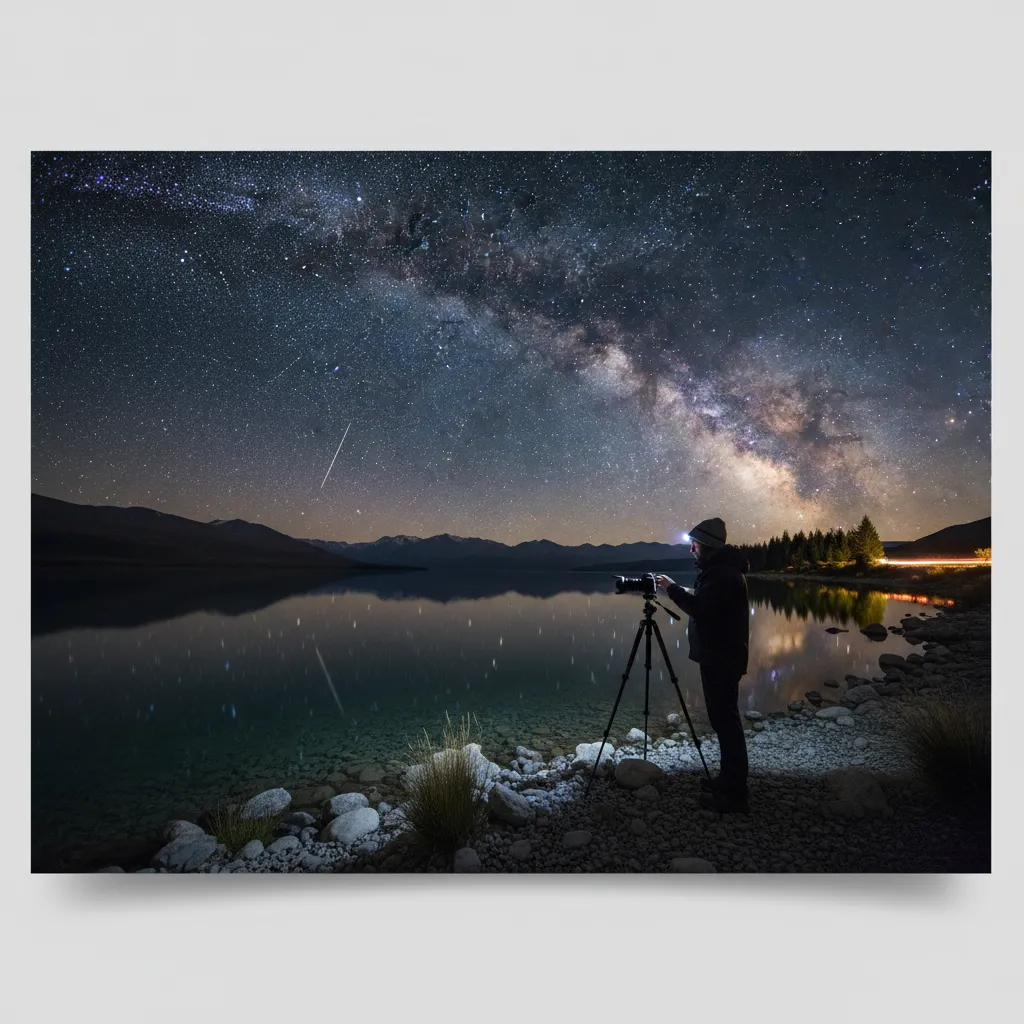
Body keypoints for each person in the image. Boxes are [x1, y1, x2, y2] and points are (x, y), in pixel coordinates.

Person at [655, 517, 751, 813]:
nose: (691, 549)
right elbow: (709, 604)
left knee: (726, 722)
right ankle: (728, 780)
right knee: (723, 720)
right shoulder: (720, 571)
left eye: (694, 544)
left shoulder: (722, 574)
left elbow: (700, 608)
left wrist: (672, 589)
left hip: (721, 657)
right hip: (720, 655)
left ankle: (735, 795)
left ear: (707, 545)